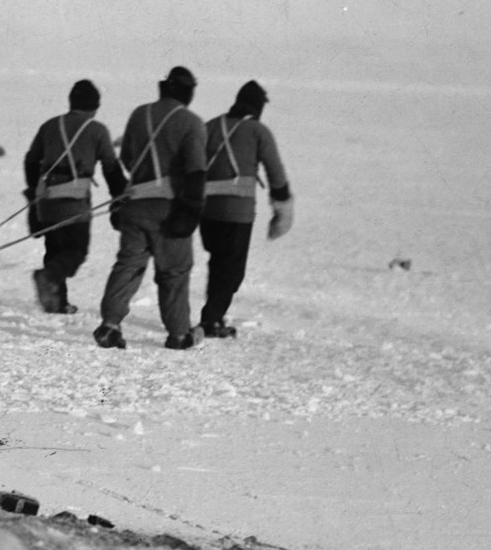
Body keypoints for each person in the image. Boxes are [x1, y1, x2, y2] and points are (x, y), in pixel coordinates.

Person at [94, 65, 207, 351]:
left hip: (135, 204)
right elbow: (196, 172)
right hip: (169, 209)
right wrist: (191, 211)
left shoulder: (139, 114)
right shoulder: (191, 123)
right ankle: (179, 333)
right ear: (188, 91)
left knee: (128, 264)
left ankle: (110, 324)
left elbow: (129, 159)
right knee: (174, 272)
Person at [198, 80, 294, 338]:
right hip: (237, 213)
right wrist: (282, 208)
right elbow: (275, 171)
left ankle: (213, 314)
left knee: (218, 262)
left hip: (206, 211)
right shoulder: (257, 131)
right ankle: (212, 319)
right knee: (232, 270)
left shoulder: (210, 126)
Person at [22, 79, 125, 314]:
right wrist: (119, 196)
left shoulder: (49, 126)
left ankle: (58, 302)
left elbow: (30, 160)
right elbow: (111, 167)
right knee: (76, 251)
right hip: (74, 202)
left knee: (55, 248)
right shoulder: (97, 130)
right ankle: (48, 277)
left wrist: (33, 192)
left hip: (46, 200)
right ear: (94, 107)